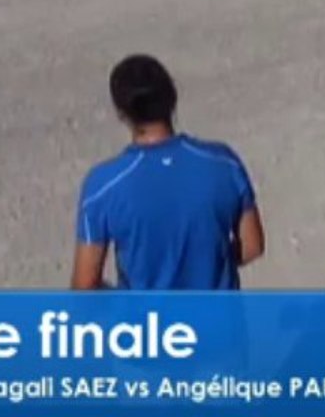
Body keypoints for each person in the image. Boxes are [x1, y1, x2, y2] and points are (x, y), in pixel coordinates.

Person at [71, 54, 266, 290]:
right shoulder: (224, 162)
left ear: (122, 113)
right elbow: (252, 246)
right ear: (172, 99)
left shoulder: (103, 186)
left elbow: (85, 287)